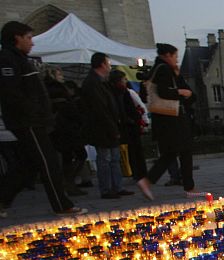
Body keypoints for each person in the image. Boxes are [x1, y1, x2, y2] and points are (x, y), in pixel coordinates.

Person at [0, 21, 86, 215]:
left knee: (28, 164)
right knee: (48, 161)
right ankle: (61, 204)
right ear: (17, 38)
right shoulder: (7, 59)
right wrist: (34, 113)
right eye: (29, 38)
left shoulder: (21, 59)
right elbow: (11, 93)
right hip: (27, 121)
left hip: (34, 120)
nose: (32, 43)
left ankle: (3, 199)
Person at [137, 43, 199, 200]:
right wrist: (181, 92)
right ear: (167, 55)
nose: (177, 60)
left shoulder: (158, 70)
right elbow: (164, 92)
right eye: (175, 56)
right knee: (178, 151)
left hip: (166, 119)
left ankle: (187, 186)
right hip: (172, 119)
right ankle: (149, 181)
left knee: (176, 151)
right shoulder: (164, 69)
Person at [81, 53, 133, 199]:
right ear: (102, 64)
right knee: (105, 158)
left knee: (114, 158)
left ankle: (117, 186)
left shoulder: (102, 82)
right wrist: (111, 127)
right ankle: (106, 188)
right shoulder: (92, 83)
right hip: (102, 127)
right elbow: (99, 109)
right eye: (108, 63)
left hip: (110, 124)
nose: (109, 66)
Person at [43, 66, 87, 197]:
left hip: (62, 128)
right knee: (76, 155)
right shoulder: (56, 89)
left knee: (70, 156)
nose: (62, 76)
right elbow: (66, 109)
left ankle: (68, 182)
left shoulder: (51, 88)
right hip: (65, 128)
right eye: (59, 74)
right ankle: (68, 182)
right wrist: (78, 118)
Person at [108, 70, 147, 183]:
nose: (125, 81)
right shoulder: (124, 93)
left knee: (134, 150)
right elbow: (139, 106)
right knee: (134, 150)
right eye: (123, 79)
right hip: (129, 125)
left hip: (129, 124)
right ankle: (138, 172)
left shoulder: (122, 92)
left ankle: (137, 172)